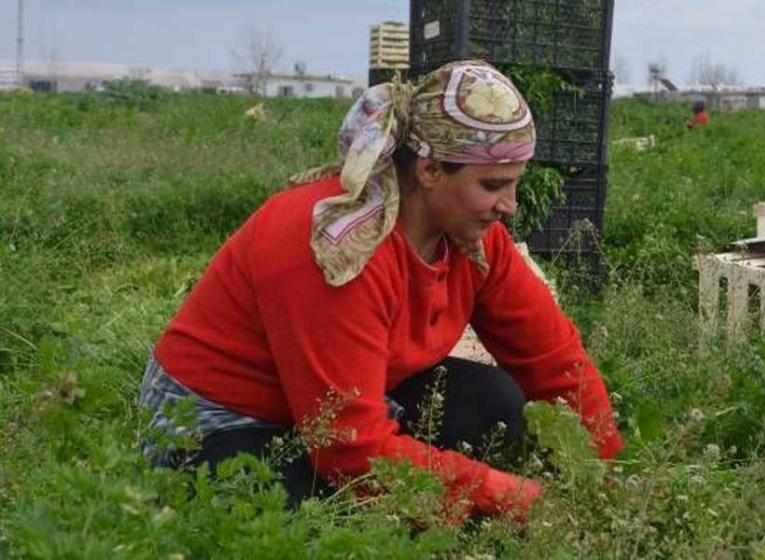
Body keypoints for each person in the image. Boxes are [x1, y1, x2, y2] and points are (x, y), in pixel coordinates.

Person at [138, 60, 623, 521]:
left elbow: (554, 360)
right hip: (228, 419)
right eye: (493, 185)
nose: (510, 206)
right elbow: (348, 444)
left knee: (494, 400)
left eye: (515, 184)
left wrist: (609, 477)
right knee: (297, 515)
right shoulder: (336, 247)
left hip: (334, 405)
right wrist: (506, 496)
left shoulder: (473, 241)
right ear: (430, 170)